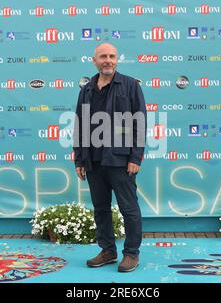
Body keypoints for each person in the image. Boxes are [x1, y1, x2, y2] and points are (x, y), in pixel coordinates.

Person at [73, 43, 147, 272]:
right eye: (103, 56)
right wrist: (79, 159)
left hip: (121, 160)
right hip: (94, 160)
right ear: (94, 60)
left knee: (129, 208)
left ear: (117, 59)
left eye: (112, 56)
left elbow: (140, 122)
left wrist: (136, 156)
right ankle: (107, 251)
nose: (108, 60)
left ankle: (131, 254)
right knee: (101, 208)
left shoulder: (130, 85)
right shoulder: (86, 89)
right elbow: (79, 124)